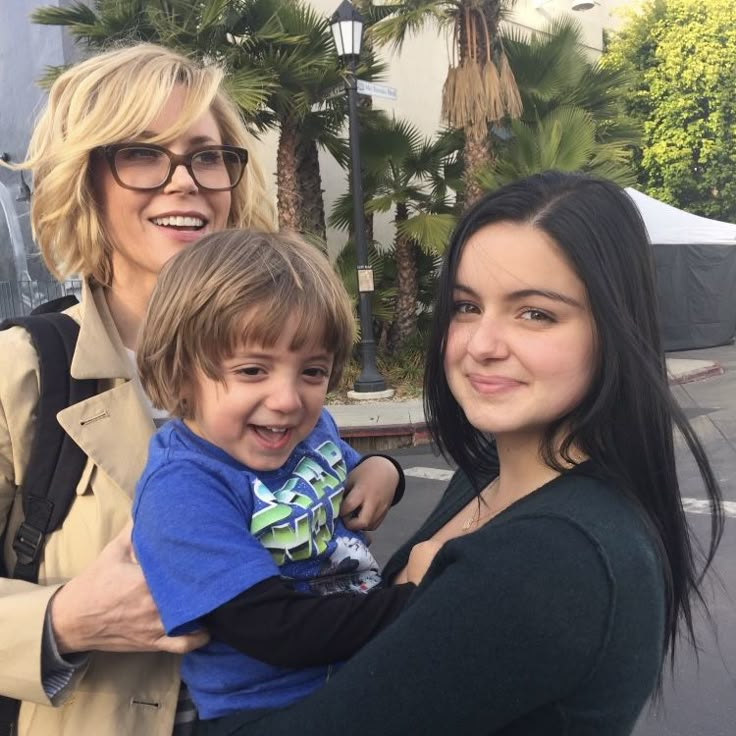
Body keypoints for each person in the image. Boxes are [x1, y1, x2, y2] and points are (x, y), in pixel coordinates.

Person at [215, 171, 725, 736]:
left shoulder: (551, 558)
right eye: (465, 306)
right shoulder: (488, 472)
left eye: (535, 313)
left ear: (613, 326)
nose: (483, 344)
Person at [0, 43, 390, 736]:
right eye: (143, 153)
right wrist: (64, 620)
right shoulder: (21, 371)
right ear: (85, 177)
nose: (184, 181)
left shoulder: (275, 345)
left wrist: (376, 470)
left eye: (206, 156)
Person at [131, 229, 428, 734]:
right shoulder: (183, 488)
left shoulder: (306, 435)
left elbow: (352, 470)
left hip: (354, 665)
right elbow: (274, 629)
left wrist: (386, 472)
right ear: (182, 375)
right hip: (267, 705)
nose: (288, 399)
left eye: (312, 371)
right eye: (252, 370)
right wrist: (423, 601)